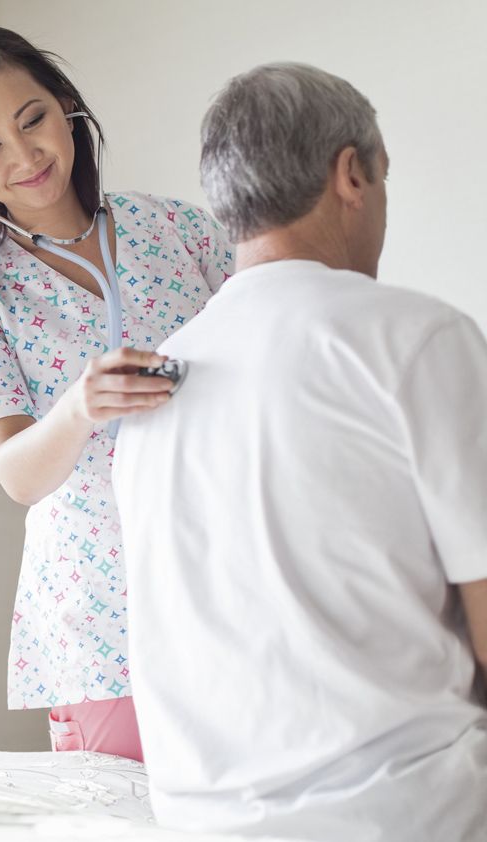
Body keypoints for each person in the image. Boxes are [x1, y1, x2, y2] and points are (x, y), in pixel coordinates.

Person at [113, 63, 487, 840]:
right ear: (351, 173)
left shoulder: (152, 391)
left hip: (198, 819)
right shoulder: (417, 338)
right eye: (381, 180)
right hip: (406, 810)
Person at [0, 25, 232, 761]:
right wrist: (79, 408)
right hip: (99, 614)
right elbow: (18, 473)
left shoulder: (179, 230)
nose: (25, 156)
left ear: (66, 108)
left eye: (33, 120)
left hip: (226, 578)